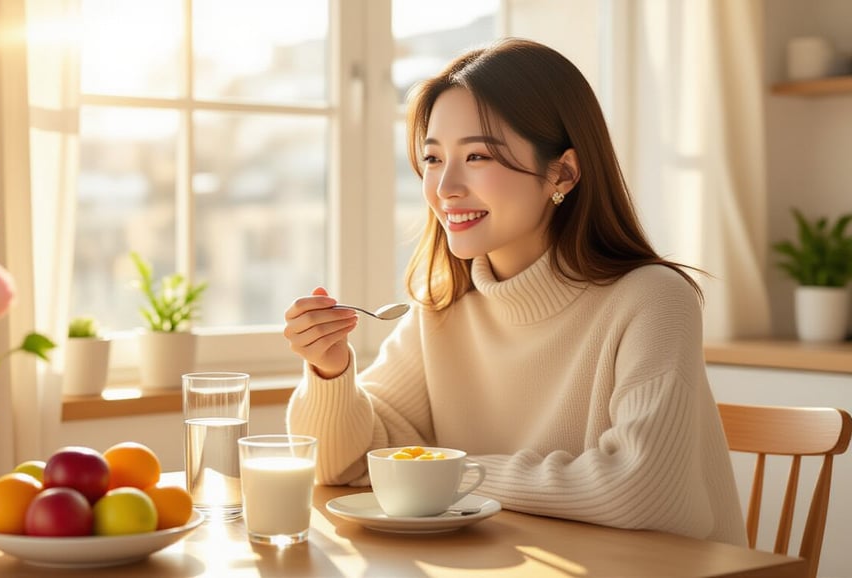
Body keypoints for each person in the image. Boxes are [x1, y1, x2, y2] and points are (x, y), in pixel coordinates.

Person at [282, 37, 746, 546]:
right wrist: (330, 371)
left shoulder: (652, 299)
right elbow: (343, 464)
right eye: (433, 158)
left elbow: (644, 492)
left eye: (478, 155)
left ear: (562, 173)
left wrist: (443, 473)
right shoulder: (443, 308)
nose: (445, 187)